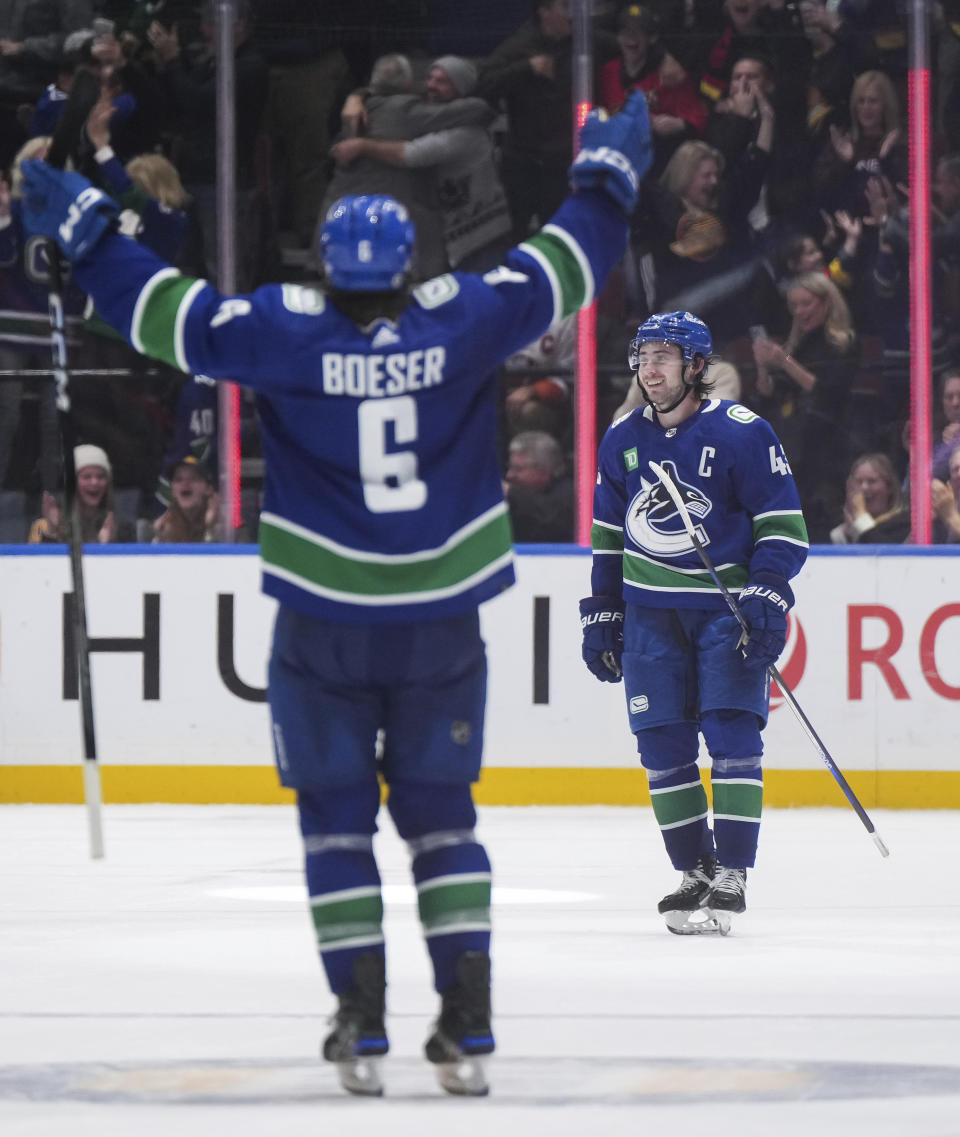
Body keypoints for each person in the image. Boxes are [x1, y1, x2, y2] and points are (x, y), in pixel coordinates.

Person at [19, 92, 653, 1095]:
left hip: (322, 625)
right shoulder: (466, 316)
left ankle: (360, 1021)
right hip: (441, 620)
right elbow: (562, 268)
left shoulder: (284, 329)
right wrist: (604, 189)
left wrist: (89, 237)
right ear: (407, 263)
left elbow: (169, 317)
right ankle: (468, 1017)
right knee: (445, 821)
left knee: (335, 826)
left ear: (324, 261)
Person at [579, 310, 807, 935]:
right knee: (661, 745)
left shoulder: (742, 432)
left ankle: (732, 870)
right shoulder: (622, 438)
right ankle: (695, 869)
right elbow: (606, 535)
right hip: (651, 614)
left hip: (722, 614)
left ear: (697, 367)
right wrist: (602, 608)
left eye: (664, 357)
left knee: (733, 737)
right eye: (644, 356)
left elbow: (784, 527)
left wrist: (767, 592)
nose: (650, 369)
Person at [329, 56, 511, 273]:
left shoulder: (467, 132)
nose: (431, 86)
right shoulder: (429, 113)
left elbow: (412, 155)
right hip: (455, 234)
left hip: (481, 236)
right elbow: (389, 88)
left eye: (442, 81)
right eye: (430, 78)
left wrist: (361, 146)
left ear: (460, 88)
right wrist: (357, 96)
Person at [28, 443, 136, 543]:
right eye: (86, 477)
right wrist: (52, 530)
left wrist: (108, 545)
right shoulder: (42, 526)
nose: (94, 482)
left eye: (101, 477)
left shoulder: (123, 527)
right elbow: (39, 562)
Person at [502, 429, 573, 542]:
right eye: (510, 467)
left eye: (518, 469)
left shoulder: (571, 496)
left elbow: (549, 518)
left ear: (544, 470)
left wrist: (511, 492)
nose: (509, 475)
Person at [829, 452, 909, 544]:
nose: (864, 488)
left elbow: (882, 554)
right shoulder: (841, 531)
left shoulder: (904, 525)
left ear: (889, 487)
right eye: (858, 481)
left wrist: (861, 521)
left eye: (872, 481)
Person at [152, 455, 220, 542]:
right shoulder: (162, 526)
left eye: (194, 478)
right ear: (173, 491)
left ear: (209, 489)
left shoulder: (227, 527)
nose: (185, 483)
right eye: (178, 479)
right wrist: (161, 537)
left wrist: (210, 527)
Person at [932, 447, 960, 543]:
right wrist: (924, 524)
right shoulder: (943, 509)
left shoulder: (948, 511)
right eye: (955, 469)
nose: (959, 474)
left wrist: (951, 516)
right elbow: (902, 554)